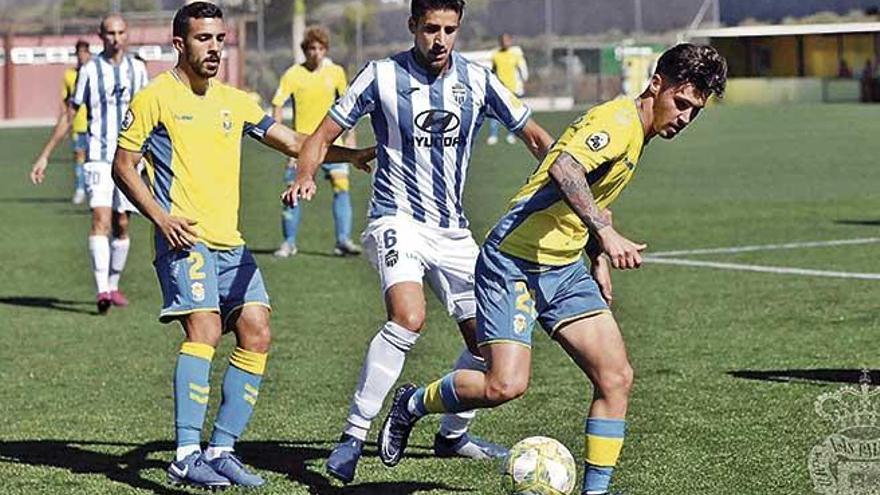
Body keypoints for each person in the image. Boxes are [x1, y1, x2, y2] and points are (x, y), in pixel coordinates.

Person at [378, 43, 728, 495]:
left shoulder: (638, 133)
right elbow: (565, 170)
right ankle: (412, 402)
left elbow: (593, 193)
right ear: (655, 83)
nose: (683, 117)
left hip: (562, 267)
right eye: (681, 103)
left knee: (615, 377)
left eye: (694, 111)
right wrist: (604, 233)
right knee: (504, 385)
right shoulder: (618, 122)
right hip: (514, 262)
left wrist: (597, 260)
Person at [283, 0, 555, 484]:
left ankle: (452, 434)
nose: (440, 39)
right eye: (431, 28)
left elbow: (534, 135)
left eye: (450, 29)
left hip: (453, 231)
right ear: (413, 26)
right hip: (396, 220)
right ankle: (353, 434)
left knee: (489, 348)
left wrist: (573, 185)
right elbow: (322, 135)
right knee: (408, 316)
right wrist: (306, 174)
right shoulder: (380, 76)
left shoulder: (477, 80)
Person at [112, 2, 375, 490]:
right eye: (203, 39)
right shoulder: (155, 98)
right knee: (206, 330)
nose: (214, 48)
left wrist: (351, 154)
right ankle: (186, 454)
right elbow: (123, 165)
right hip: (185, 238)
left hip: (231, 244)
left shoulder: (235, 100)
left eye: (219, 39)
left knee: (257, 330)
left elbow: (297, 142)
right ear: (179, 44)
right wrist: (161, 217)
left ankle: (222, 449)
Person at [30, 15, 149, 314]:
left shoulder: (138, 70)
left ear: (127, 35)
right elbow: (70, 115)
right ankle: (102, 291)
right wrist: (45, 153)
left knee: (122, 224)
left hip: (130, 160)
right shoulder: (90, 71)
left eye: (121, 32)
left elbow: (150, 117)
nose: (116, 38)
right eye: (110, 33)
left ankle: (113, 282)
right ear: (101, 35)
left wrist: (153, 158)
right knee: (101, 220)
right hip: (98, 157)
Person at [271, 26, 362, 258]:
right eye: (311, 48)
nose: (316, 53)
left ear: (326, 50)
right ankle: (289, 242)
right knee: (293, 193)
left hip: (333, 145)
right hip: (301, 146)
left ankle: (343, 241)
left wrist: (351, 138)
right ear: (305, 50)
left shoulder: (336, 73)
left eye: (320, 48)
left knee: (342, 189)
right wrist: (281, 139)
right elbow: (277, 104)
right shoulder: (293, 74)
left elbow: (349, 106)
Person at [487, 33, 528, 145]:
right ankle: (493, 135)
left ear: (510, 41)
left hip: (512, 89)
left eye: (507, 40)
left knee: (512, 113)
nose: (505, 42)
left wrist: (523, 82)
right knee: (495, 113)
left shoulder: (515, 54)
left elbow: (522, 69)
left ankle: (511, 135)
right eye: (503, 40)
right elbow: (493, 70)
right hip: (499, 88)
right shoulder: (496, 55)